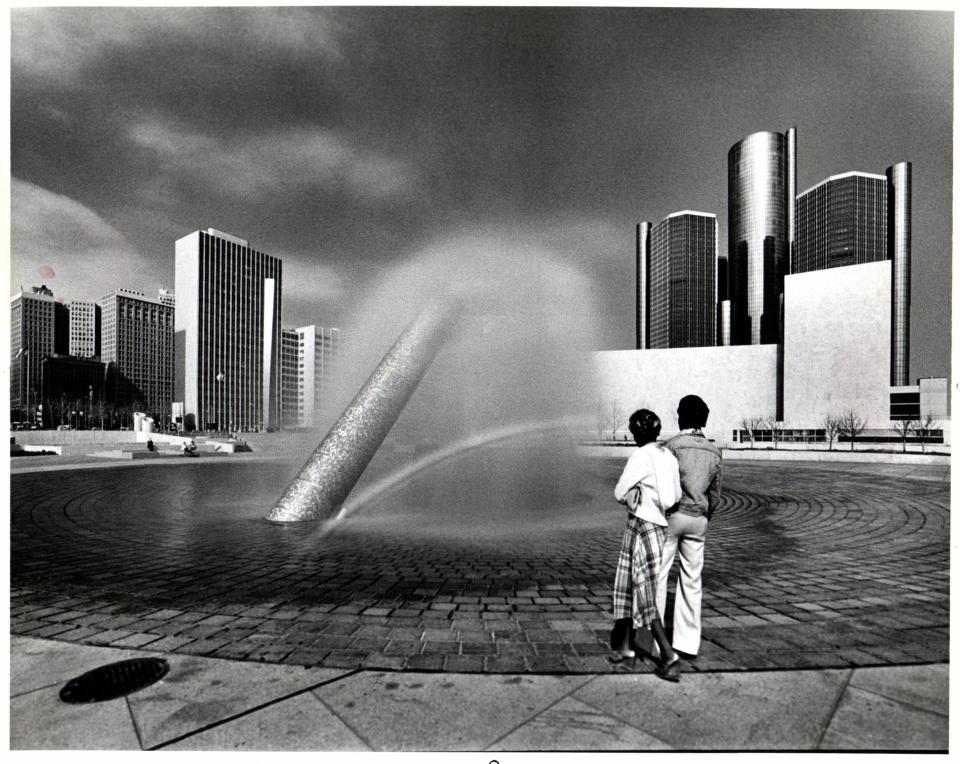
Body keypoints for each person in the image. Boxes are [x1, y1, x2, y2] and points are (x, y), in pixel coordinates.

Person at [611, 409, 684, 682]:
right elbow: (674, 496)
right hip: (660, 526)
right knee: (634, 590)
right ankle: (627, 654)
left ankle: (669, 656)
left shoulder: (641, 455)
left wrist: (634, 491)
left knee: (641, 595)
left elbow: (619, 492)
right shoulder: (668, 455)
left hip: (640, 527)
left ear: (636, 433)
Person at [658, 394, 723, 661]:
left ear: (681, 416)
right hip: (699, 519)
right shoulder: (714, 451)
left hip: (672, 516)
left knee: (658, 576)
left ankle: (652, 639)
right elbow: (715, 493)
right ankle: (687, 643)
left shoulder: (670, 447)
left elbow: (662, 487)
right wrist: (706, 513)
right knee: (692, 580)